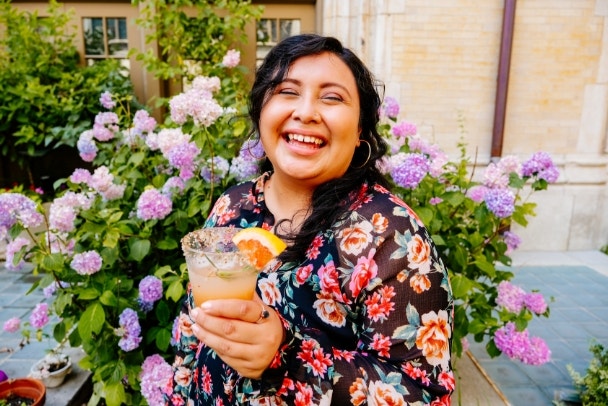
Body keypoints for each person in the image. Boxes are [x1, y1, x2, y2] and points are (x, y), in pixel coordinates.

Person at [167, 34, 454, 405]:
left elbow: (422, 392)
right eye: (287, 91)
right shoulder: (233, 205)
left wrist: (285, 357)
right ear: (261, 112)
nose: (305, 112)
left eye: (332, 97)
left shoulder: (390, 235)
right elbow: (193, 328)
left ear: (360, 132)